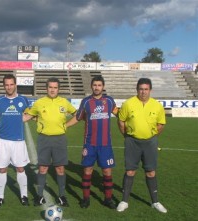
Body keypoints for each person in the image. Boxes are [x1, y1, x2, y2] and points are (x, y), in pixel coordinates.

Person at [66, 75, 118, 209]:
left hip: (105, 144)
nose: (97, 87)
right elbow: (78, 118)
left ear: (103, 86)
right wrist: (64, 126)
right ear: (91, 86)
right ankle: (86, 199)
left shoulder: (110, 101)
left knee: (107, 172)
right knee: (87, 171)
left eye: (99, 85)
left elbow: (120, 114)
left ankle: (108, 199)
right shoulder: (86, 102)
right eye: (94, 85)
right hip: (89, 143)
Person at [116, 78, 167, 213]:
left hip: (150, 142)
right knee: (130, 171)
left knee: (150, 172)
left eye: (146, 89)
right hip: (132, 141)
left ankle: (155, 202)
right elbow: (121, 122)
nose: (143, 92)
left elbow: (161, 124)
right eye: (140, 89)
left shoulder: (157, 105)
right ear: (137, 89)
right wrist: (127, 137)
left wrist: (152, 136)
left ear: (150, 90)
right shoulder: (128, 103)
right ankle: (124, 201)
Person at [24, 77, 76, 207]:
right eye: (50, 87)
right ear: (46, 88)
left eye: (55, 87)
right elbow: (28, 116)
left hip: (60, 139)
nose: (52, 90)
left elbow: (78, 115)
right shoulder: (39, 103)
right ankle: (40, 196)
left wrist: (66, 125)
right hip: (44, 139)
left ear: (58, 89)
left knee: (60, 168)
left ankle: (62, 196)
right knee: (43, 168)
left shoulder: (64, 102)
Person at [0, 74, 30, 207]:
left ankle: (24, 195)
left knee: (20, 168)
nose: (9, 87)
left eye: (11, 84)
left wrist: (25, 118)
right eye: (6, 85)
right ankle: (0, 197)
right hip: (3, 140)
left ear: (15, 85)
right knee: (2, 169)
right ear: (4, 86)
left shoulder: (23, 100)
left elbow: (31, 112)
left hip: (18, 140)